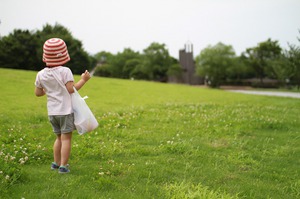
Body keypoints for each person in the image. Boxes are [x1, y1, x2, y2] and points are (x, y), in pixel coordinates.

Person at [34, 38, 91, 173]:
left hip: (52, 112)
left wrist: (50, 89)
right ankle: (63, 166)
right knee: (66, 139)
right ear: (63, 54)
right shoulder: (65, 71)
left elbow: (38, 93)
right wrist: (84, 79)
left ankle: (55, 163)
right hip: (65, 111)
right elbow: (72, 89)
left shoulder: (41, 74)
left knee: (58, 137)